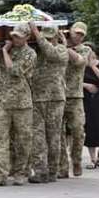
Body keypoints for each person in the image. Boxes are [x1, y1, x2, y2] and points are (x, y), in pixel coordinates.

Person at [0, 22, 37, 186]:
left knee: (23, 139)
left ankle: (21, 172)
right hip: (2, 103)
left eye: (18, 37)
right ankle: (0, 173)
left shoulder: (30, 54)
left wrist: (4, 52)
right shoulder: (4, 52)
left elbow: (15, 71)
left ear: (27, 37)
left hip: (22, 104)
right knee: (0, 138)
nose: (14, 39)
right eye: (13, 36)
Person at [27, 22, 68, 183]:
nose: (49, 41)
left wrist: (37, 34)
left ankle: (52, 170)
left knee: (53, 136)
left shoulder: (62, 50)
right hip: (37, 98)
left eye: (51, 38)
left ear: (57, 37)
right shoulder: (36, 50)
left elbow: (51, 53)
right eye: (47, 38)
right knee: (37, 136)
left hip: (55, 99)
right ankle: (39, 170)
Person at [59, 22, 91, 178]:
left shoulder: (85, 49)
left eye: (81, 34)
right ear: (70, 31)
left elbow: (79, 61)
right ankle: (62, 166)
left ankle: (76, 160)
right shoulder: (59, 45)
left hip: (75, 96)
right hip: (58, 95)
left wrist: (65, 47)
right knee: (58, 133)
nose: (77, 36)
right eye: (76, 33)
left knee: (78, 131)